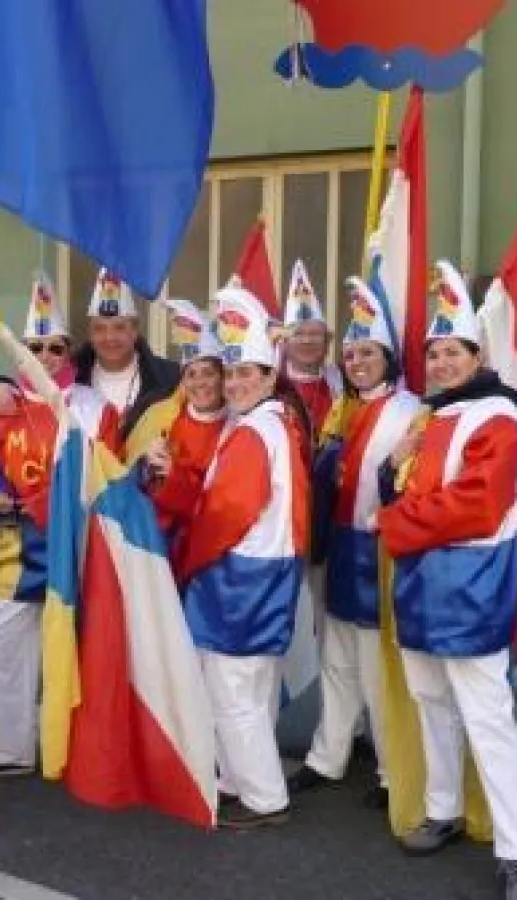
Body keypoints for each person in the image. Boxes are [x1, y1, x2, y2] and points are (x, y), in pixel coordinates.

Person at [377, 261, 517, 900]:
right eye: (434, 352)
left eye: (453, 351)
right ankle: (443, 808)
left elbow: (475, 504)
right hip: (421, 582)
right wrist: (393, 478)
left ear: (478, 355)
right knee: (432, 705)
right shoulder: (434, 416)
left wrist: (391, 519)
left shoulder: (498, 417)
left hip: (471, 586)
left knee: (488, 718)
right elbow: (413, 484)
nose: (441, 362)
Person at [0, 274, 119, 776]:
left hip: (73, 548)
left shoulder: (96, 409)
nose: (46, 356)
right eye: (35, 347)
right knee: (2, 643)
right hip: (16, 550)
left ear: (68, 352)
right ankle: (10, 747)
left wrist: (37, 502)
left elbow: (101, 474)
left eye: (55, 347)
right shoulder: (2, 408)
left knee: (77, 650)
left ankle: (77, 746)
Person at [176, 284, 308, 830]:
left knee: (233, 694)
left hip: (239, 582)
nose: (234, 384)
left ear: (269, 375)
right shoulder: (272, 424)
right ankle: (234, 778)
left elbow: (225, 514)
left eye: (245, 374)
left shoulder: (256, 431)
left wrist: (188, 563)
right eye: (229, 375)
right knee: (249, 690)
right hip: (265, 577)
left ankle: (264, 797)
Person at [287, 277, 421, 810]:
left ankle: (392, 770)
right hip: (340, 548)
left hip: (379, 553)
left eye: (368, 352)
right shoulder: (344, 406)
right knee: (336, 659)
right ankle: (328, 755)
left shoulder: (410, 410)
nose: (358, 360)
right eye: (351, 352)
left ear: (387, 356)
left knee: (376, 667)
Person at [138, 297, 228, 551]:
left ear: (223, 378)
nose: (199, 383)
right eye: (191, 374)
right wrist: (147, 468)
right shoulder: (165, 419)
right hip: (168, 550)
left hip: (213, 548)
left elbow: (225, 501)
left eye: (208, 373)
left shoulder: (238, 427)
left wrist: (174, 475)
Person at [72, 268, 181, 454]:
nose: (110, 337)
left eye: (119, 327)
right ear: (90, 333)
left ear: (135, 329)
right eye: (100, 329)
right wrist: (4, 384)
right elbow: (29, 391)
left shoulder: (170, 378)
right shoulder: (70, 378)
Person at [281, 259, 343, 441]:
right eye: (298, 334)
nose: (307, 341)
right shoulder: (271, 386)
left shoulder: (344, 384)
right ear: (284, 342)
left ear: (328, 341)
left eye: (315, 334)